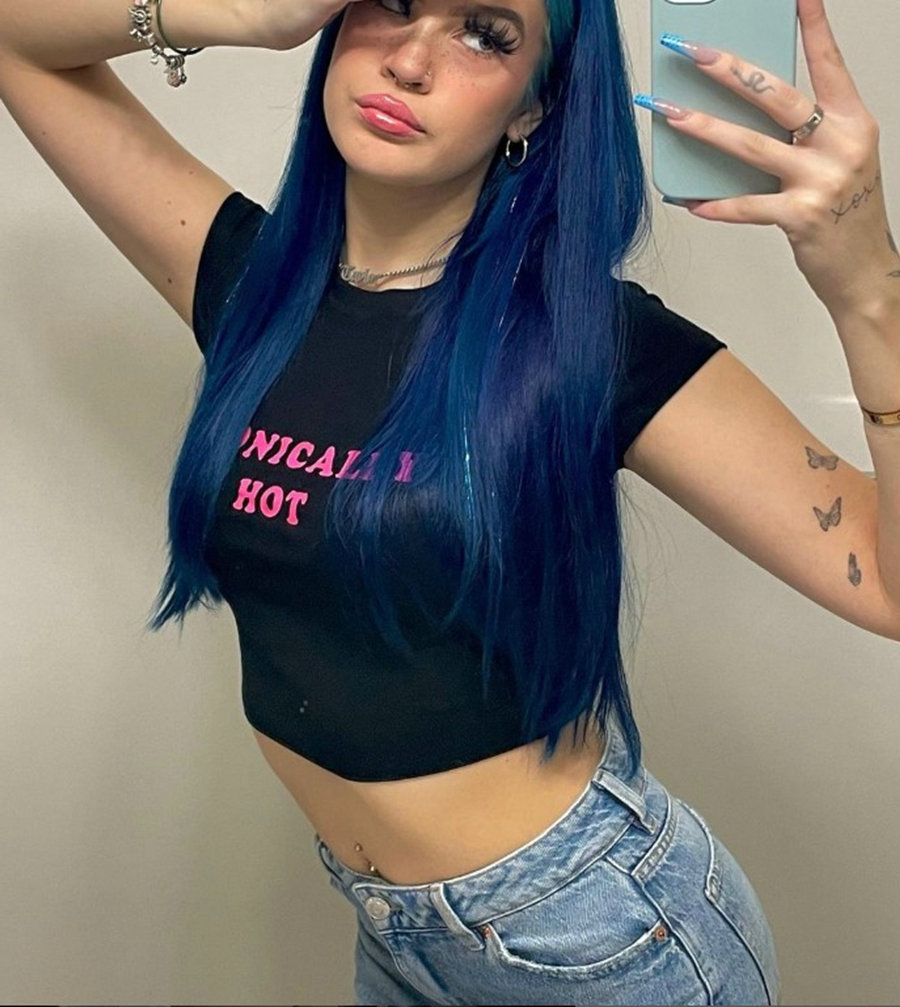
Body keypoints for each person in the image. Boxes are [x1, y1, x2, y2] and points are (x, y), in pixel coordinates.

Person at [1, 0, 897, 1003]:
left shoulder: (582, 338)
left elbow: (886, 580)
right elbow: (17, 40)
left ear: (533, 106)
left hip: (591, 940)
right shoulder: (251, 282)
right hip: (397, 940)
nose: (412, 60)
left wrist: (868, 287)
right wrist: (251, 15)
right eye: (389, 2)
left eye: (485, 33)